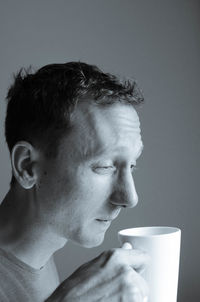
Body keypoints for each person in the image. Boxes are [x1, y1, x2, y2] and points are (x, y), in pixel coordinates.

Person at [0, 62, 149, 302]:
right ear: (27, 166)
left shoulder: (38, 259)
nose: (130, 198)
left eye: (131, 165)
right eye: (104, 166)